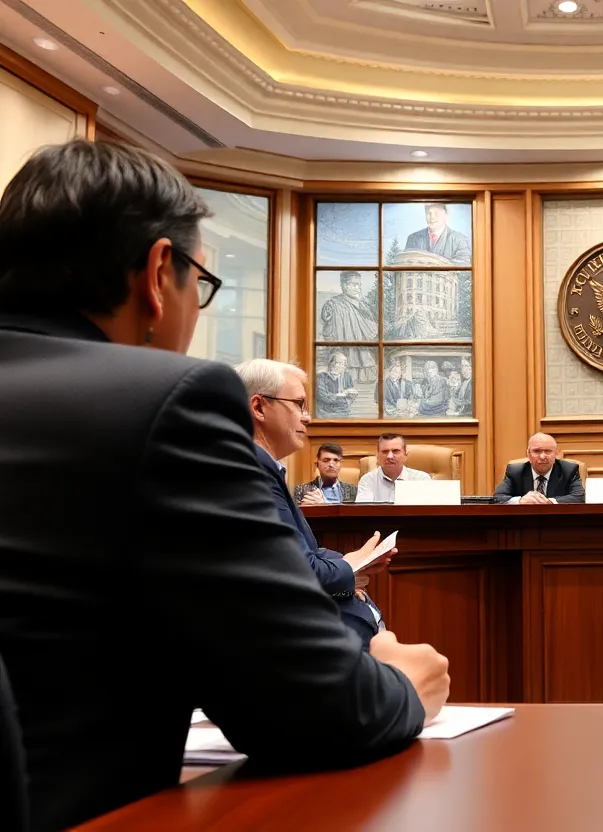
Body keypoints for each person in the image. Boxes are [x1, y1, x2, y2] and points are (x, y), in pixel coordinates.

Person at [0, 139, 449, 831]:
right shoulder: (163, 402)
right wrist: (402, 685)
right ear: (158, 274)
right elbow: (317, 708)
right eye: (201, 284)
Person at [236, 359, 391, 649]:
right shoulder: (251, 472)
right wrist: (348, 571)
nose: (307, 417)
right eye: (298, 404)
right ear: (259, 407)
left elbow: (304, 551)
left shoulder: (262, 467)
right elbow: (297, 570)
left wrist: (350, 562)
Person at [493, 433, 585, 504]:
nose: (542, 456)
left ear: (556, 454)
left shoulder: (569, 470)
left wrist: (549, 502)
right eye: (536, 451)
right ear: (528, 454)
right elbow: (498, 497)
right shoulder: (515, 472)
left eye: (548, 451)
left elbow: (580, 497)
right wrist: (520, 501)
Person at [356, 433, 432, 502]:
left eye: (395, 451)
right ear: (378, 456)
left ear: (405, 455)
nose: (389, 456)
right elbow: (365, 511)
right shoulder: (367, 481)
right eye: (385, 452)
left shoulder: (421, 479)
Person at [404, 203, 472, 265]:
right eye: (428, 213)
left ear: (446, 214)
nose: (432, 217)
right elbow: (405, 265)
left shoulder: (460, 240)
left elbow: (463, 270)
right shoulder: (413, 238)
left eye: (437, 213)